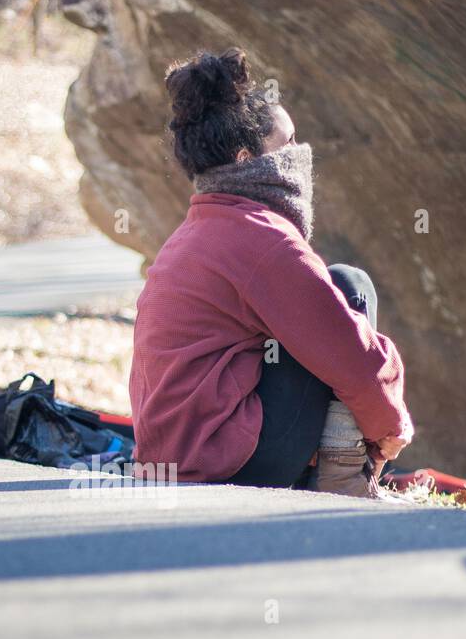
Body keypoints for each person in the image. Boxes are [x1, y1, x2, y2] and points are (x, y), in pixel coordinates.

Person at [128, 47, 414, 496]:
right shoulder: (258, 237)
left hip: (178, 459)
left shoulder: (198, 228)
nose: (300, 155)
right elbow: (348, 351)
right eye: (288, 143)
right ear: (247, 159)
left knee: (319, 309)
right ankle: (344, 481)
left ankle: (332, 473)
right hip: (225, 464)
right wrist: (391, 423)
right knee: (347, 287)